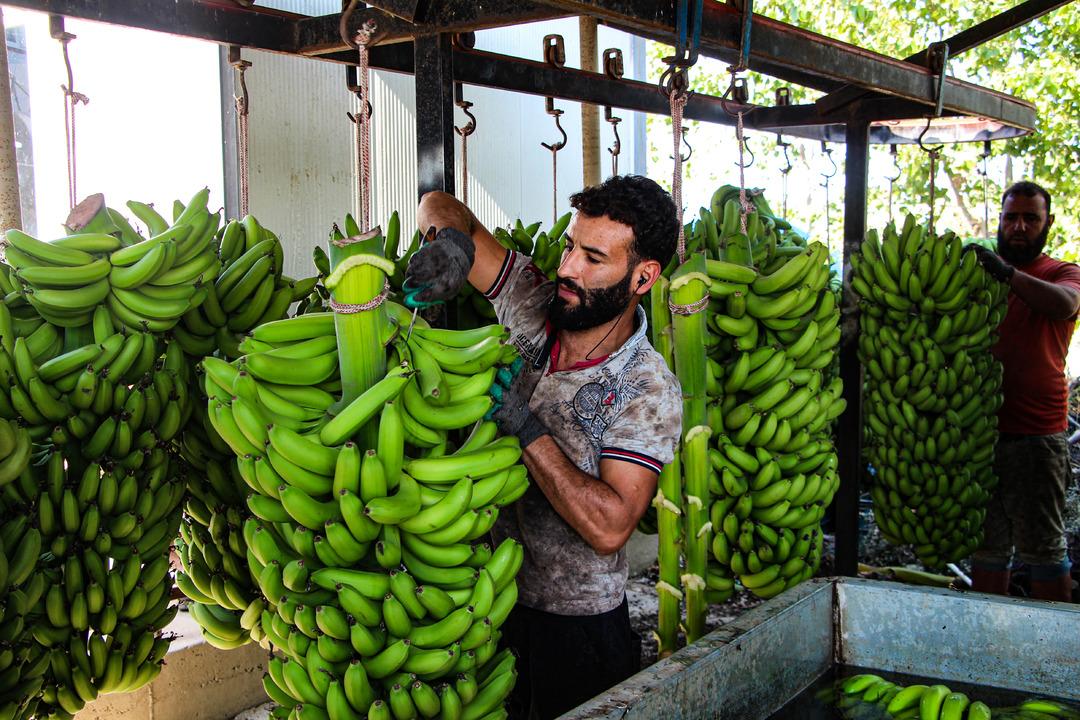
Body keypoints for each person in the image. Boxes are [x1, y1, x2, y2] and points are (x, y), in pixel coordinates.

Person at [405, 175, 683, 718]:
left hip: (576, 627)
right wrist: (452, 245)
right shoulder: (533, 302)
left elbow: (611, 526)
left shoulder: (646, 387)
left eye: (593, 258)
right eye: (571, 246)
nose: (568, 268)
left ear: (643, 276)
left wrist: (527, 430)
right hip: (481, 599)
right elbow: (439, 204)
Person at [966, 181, 1078, 602]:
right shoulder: (973, 279)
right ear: (999, 219)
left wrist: (1007, 274)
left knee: (1044, 548)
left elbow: (1066, 305)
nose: (1019, 226)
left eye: (1031, 218)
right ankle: (987, 634)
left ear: (1048, 223)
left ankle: (1054, 652)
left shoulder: (1062, 273)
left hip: (1036, 436)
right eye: (1011, 217)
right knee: (987, 547)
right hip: (979, 433)